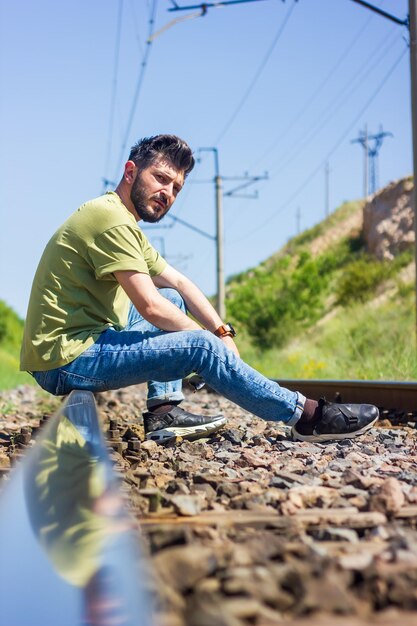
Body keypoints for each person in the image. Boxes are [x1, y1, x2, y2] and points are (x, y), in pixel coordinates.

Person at [20, 134, 379, 443]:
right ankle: (308, 417)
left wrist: (222, 334)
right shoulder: (111, 220)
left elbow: (177, 283)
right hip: (66, 359)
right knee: (191, 336)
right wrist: (205, 346)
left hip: (80, 343)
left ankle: (164, 414)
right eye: (160, 178)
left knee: (174, 300)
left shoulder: (121, 219)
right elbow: (150, 308)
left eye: (176, 187)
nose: (167, 193)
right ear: (130, 172)